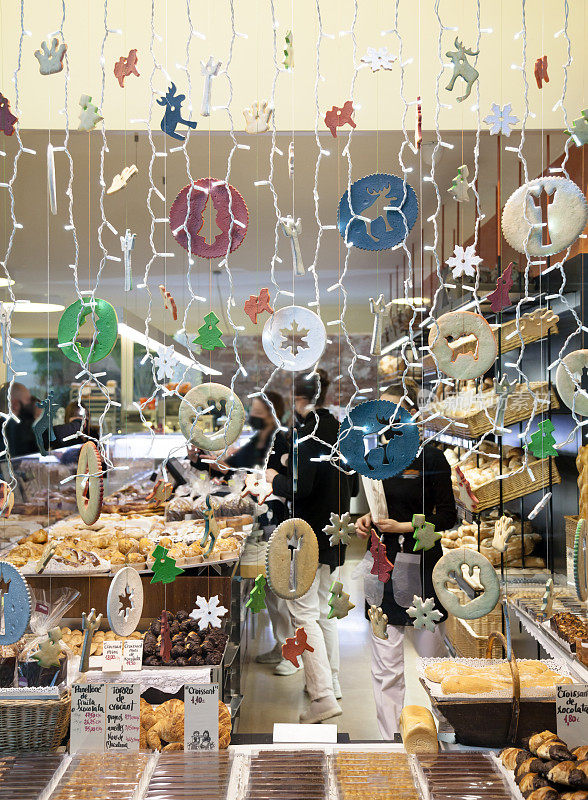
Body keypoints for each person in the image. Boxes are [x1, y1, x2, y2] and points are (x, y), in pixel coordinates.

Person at [355, 379, 457, 740]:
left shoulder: (430, 456)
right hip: (383, 568)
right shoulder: (375, 457)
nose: (387, 420)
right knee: (386, 667)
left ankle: (445, 736)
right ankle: (390, 742)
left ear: (410, 413)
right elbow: (377, 508)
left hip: (424, 566)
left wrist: (405, 525)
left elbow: (448, 517)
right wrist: (368, 520)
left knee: (434, 665)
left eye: (394, 411)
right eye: (381, 413)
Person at [266, 369, 357, 724]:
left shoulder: (307, 436)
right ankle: (331, 683)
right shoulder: (342, 432)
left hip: (306, 537)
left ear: (296, 399)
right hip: (335, 532)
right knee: (321, 611)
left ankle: (320, 697)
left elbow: (299, 489)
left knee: (304, 614)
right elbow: (354, 487)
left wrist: (275, 478)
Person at [0, 382, 83, 458]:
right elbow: (44, 438)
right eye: (30, 400)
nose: (34, 404)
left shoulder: (10, 428)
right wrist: (77, 424)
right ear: (15, 405)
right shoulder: (11, 430)